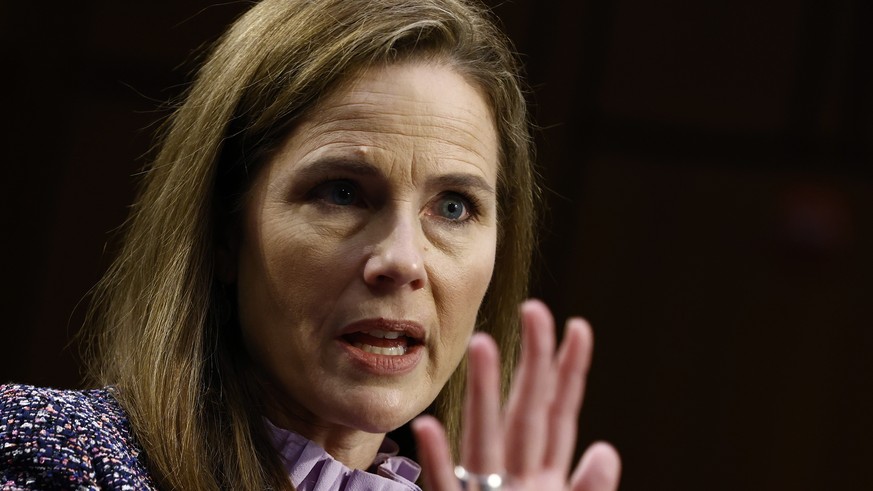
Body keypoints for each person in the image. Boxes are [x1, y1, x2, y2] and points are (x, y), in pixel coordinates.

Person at [0, 0, 621, 489]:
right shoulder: (47, 455)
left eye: (454, 207)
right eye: (343, 194)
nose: (403, 260)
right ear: (223, 229)